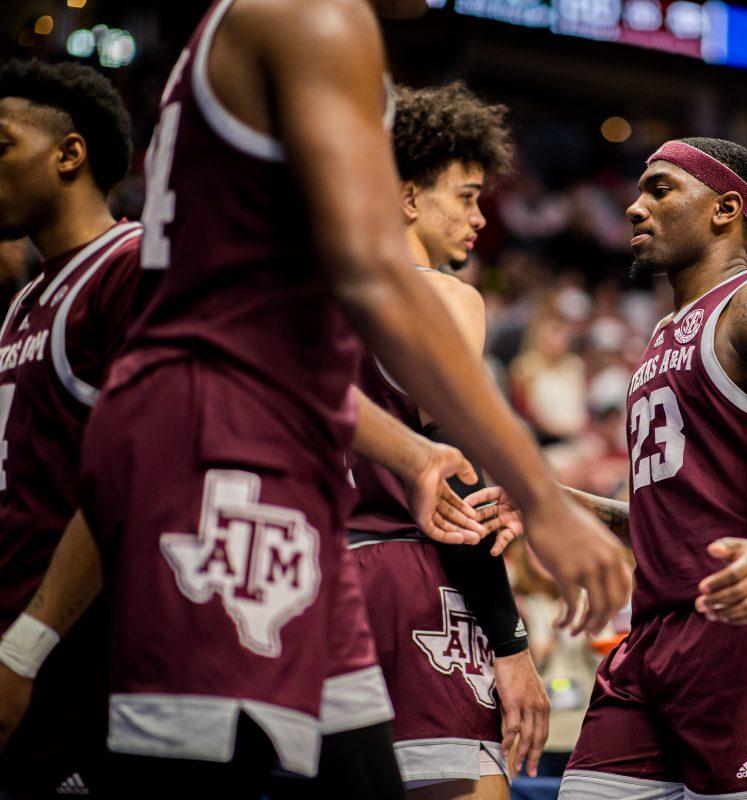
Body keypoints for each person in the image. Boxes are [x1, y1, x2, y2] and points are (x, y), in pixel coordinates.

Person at [1, 0, 630, 796]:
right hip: (214, 460)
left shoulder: (247, 46)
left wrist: (417, 452)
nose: (478, 216)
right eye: (464, 197)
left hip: (286, 471)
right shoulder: (308, 15)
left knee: (364, 775)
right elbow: (371, 277)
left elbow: (288, 350)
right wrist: (540, 498)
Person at [547, 136, 747, 799]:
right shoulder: (659, 338)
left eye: (659, 190)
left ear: (725, 209)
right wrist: (550, 499)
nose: (633, 207)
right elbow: (666, 522)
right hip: (653, 637)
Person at [346, 81, 549, 799]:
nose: (479, 216)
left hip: (320, 584)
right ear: (406, 198)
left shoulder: (313, 295)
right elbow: (454, 476)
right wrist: (511, 644)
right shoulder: (445, 295)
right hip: (412, 583)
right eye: (464, 196)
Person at [0, 59, 139, 798]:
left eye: (0, 144)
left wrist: (26, 648)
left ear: (69, 154)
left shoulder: (132, 265)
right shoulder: (25, 300)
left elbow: (134, 477)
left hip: (84, 665)